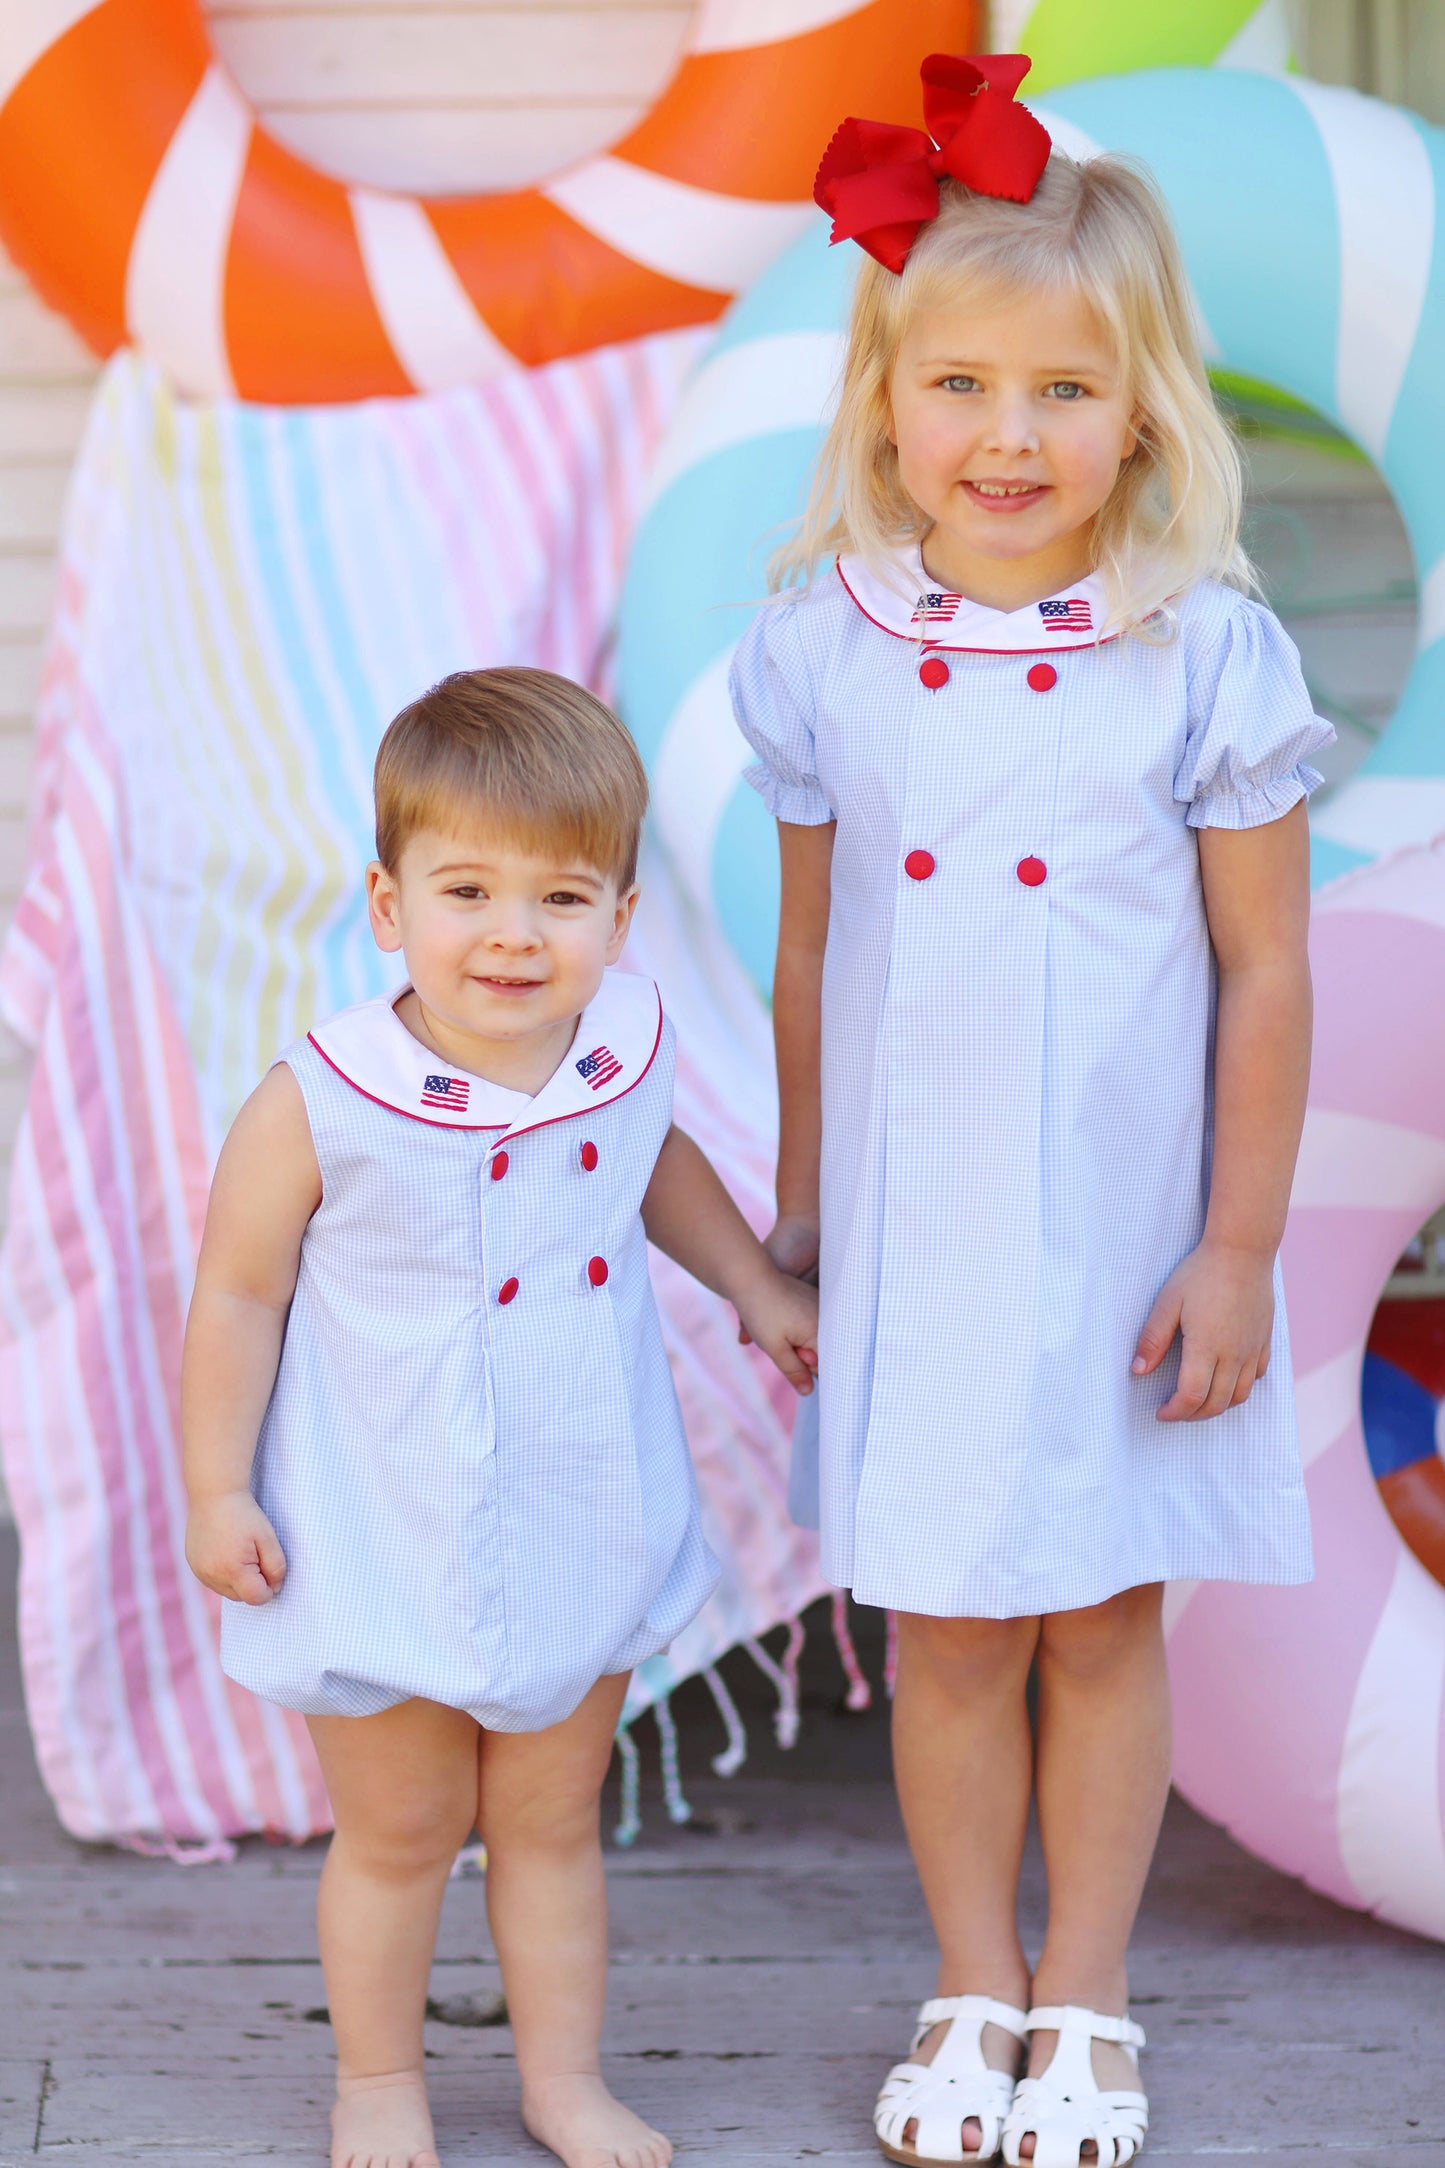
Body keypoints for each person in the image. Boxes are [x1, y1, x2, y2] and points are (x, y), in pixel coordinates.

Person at [730, 53, 1331, 2168]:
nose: (1008, 437)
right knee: (951, 1620)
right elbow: (811, 954)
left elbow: (1266, 968)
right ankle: (970, 1973)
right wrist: (803, 1207)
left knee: (1099, 1612)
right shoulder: (823, 650)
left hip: (1120, 1230)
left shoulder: (1205, 657)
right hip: (921, 1225)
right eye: (962, 385)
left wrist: (1240, 1239)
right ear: (889, 399)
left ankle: (1089, 1995)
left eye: (1063, 394)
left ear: (1145, 410)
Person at [182, 667, 819, 2168]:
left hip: (575, 1501)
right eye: (467, 890)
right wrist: (219, 1489)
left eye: (562, 897)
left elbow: (656, 1169)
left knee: (547, 1823)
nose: (515, 936)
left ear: (617, 914)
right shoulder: (327, 1095)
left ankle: (562, 2080)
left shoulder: (622, 1047)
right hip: (382, 1519)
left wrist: (751, 1285)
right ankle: (381, 2087)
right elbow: (236, 1296)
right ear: (390, 906)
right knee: (401, 1832)